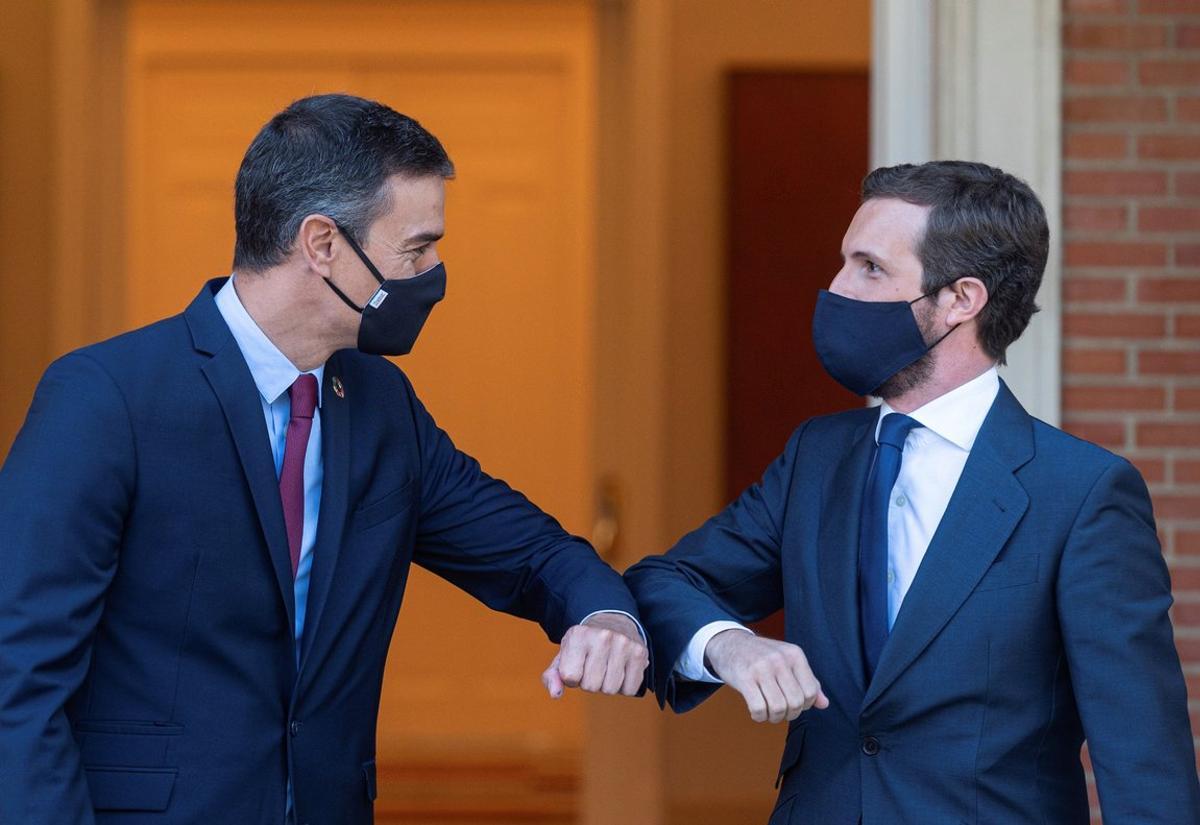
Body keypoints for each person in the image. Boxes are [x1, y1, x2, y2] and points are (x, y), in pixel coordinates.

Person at [0, 93, 649, 825]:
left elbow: (530, 551)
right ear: (322, 244)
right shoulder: (106, 398)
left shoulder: (381, 405)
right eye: (416, 247)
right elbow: (17, 677)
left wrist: (605, 615)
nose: (434, 271)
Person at [625, 160, 1200, 824]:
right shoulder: (818, 455)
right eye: (842, 262)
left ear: (962, 299)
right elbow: (665, 581)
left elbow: (1144, 764)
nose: (836, 288)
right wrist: (729, 643)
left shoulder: (1083, 493)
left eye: (869, 268)